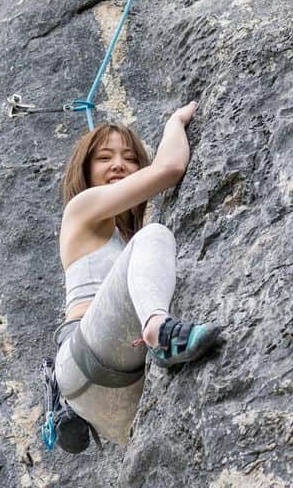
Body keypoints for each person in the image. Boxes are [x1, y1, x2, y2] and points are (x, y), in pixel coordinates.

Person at [52, 102, 219, 447]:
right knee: (155, 235)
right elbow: (170, 168)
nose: (119, 165)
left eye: (129, 158)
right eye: (104, 158)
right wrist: (176, 120)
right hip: (85, 356)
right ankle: (160, 330)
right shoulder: (80, 210)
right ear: (84, 170)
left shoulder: (125, 241)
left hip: (113, 396)